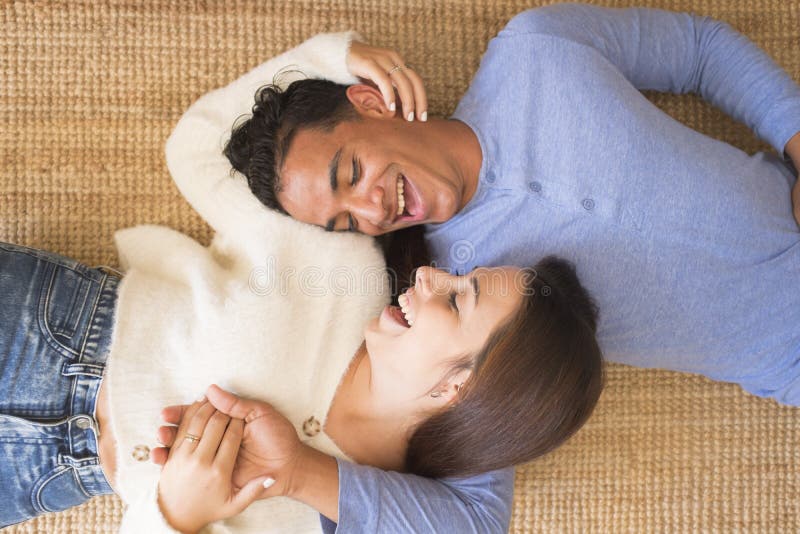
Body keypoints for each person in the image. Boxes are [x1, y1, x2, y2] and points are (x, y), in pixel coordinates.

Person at [166, 2, 799, 533]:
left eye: (351, 171)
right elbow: (476, 517)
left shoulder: (536, 48)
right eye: (344, 221)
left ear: (373, 104)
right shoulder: (455, 310)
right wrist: (298, 472)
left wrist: (335, 55)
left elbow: (697, 49)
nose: (371, 208)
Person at [0, 169, 602, 530]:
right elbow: (214, 150)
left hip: (47, 474)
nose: (429, 277)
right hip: (58, 330)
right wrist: (331, 54)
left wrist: (176, 514)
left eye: (456, 300)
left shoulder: (328, 517)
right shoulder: (346, 268)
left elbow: (475, 523)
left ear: (456, 390)